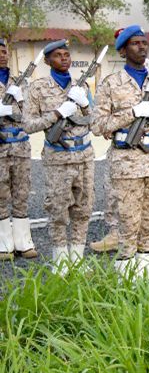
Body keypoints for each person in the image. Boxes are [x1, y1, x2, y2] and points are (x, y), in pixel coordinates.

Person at [91, 25, 149, 275]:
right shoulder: (111, 83)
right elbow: (97, 125)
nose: (142, 47)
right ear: (123, 51)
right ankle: (125, 280)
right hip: (126, 164)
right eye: (135, 43)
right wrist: (132, 113)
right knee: (127, 225)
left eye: (144, 43)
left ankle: (146, 276)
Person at [23, 39, 94, 266]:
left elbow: (95, 122)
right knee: (58, 211)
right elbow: (28, 125)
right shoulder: (37, 88)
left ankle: (77, 261)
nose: (64, 58)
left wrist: (85, 105)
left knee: (83, 209)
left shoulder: (81, 87)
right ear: (47, 61)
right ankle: (61, 263)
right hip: (57, 158)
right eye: (57, 55)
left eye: (66, 54)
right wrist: (56, 114)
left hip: (84, 156)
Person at [0, 37, 37, 259]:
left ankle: (24, 242)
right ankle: (4, 244)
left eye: (4, 51)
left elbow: (30, 115)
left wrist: (21, 99)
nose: (2, 55)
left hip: (20, 147)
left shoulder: (20, 82)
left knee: (22, 193)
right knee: (0, 194)